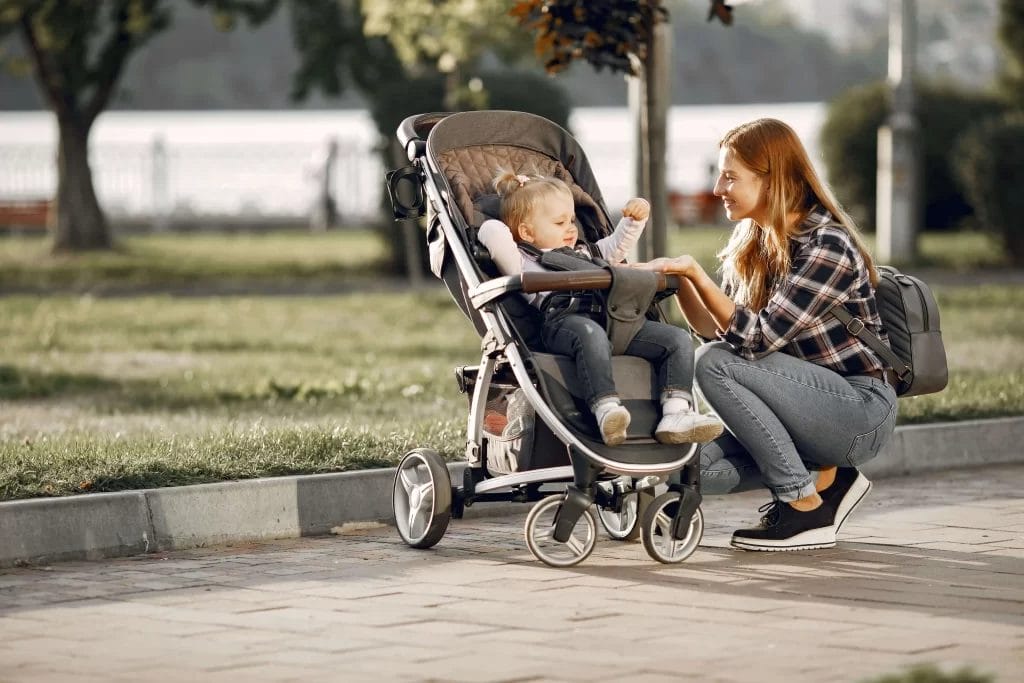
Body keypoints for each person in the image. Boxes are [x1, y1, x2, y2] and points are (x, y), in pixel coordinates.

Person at [636, 118, 898, 551]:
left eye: (730, 176)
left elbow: (752, 342)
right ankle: (829, 480)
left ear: (773, 178)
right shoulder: (754, 241)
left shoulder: (826, 245)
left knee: (712, 363)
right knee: (691, 464)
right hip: (799, 411)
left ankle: (803, 504)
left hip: (858, 412)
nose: (718, 187)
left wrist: (696, 273)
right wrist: (683, 282)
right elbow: (718, 334)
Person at [478, 171, 724, 447]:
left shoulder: (585, 252)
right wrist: (495, 220)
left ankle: (676, 414)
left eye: (572, 219)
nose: (571, 228)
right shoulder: (524, 261)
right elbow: (493, 233)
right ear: (526, 232)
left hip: (615, 320)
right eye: (560, 222)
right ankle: (607, 410)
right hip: (565, 323)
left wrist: (633, 221)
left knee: (676, 339)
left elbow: (615, 248)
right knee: (590, 335)